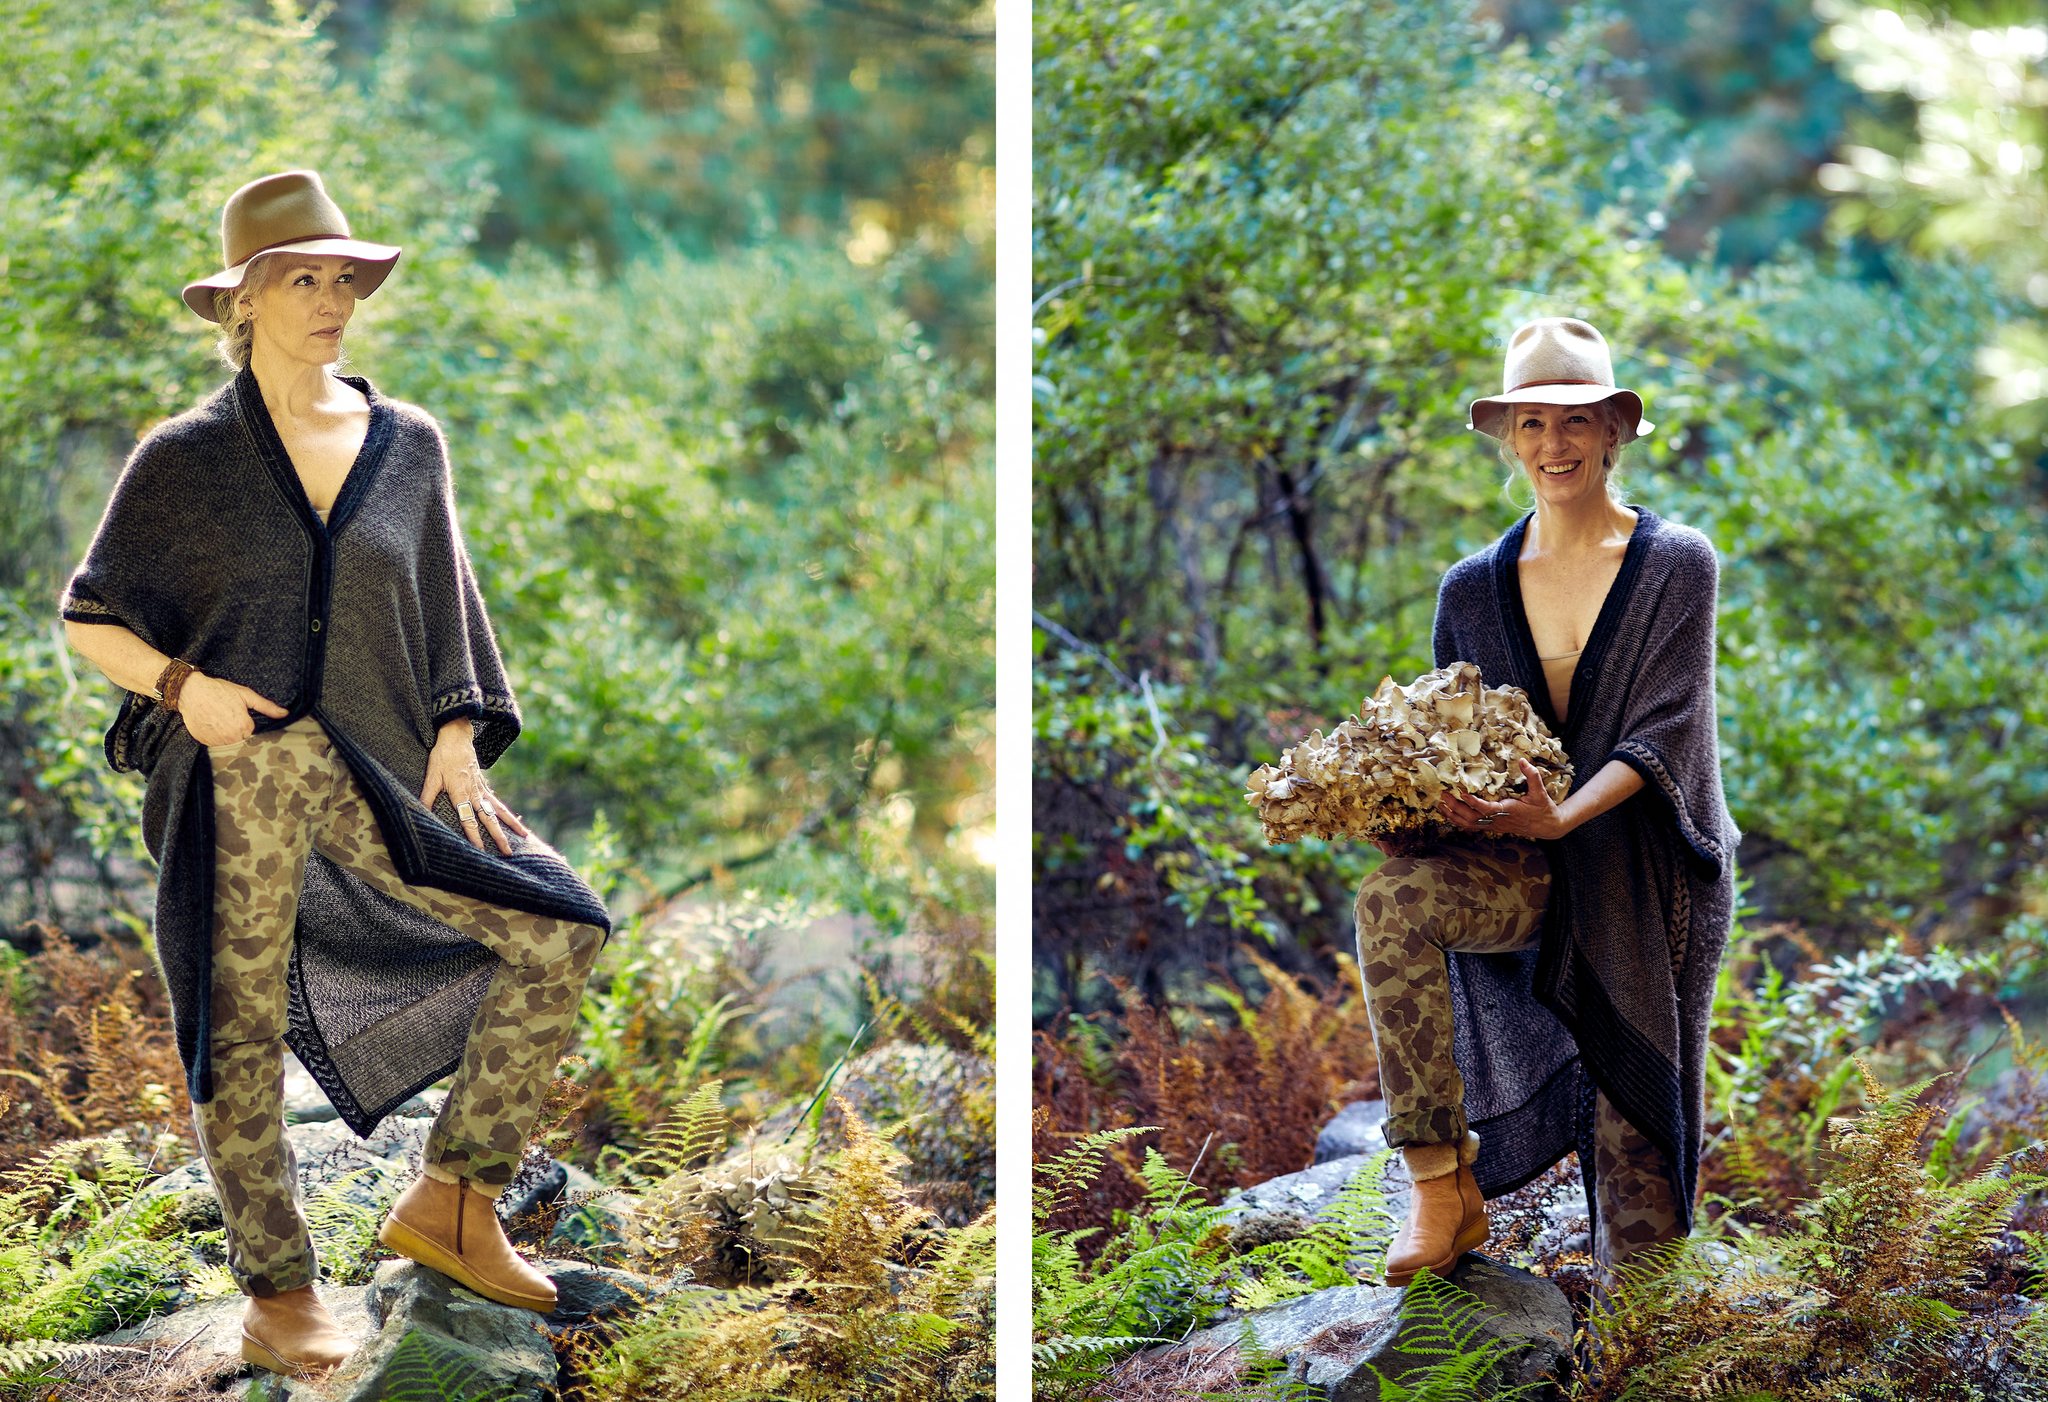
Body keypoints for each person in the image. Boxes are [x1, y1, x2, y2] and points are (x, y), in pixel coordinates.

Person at [60, 171, 610, 1378]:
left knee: (558, 928)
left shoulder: (407, 444)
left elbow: (443, 607)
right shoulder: (187, 458)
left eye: (342, 278)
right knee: (241, 1027)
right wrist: (180, 688)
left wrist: (457, 732)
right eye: (301, 278)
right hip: (238, 772)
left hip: (376, 769)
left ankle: (455, 1201)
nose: (331, 299)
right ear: (242, 303)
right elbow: (89, 616)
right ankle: (279, 1291)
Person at [1355, 317, 1738, 1289]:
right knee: (1390, 901)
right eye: (1529, 422)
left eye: (1572, 420)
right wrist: (1410, 801)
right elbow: (1464, 733)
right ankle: (1439, 1183)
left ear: (1612, 429)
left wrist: (1563, 816)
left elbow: (1666, 731)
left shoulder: (1674, 563)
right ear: (1508, 438)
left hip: (1642, 886)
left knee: (1637, 1191)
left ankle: (1636, 1330)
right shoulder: (1470, 589)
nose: (1550, 443)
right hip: (1521, 871)